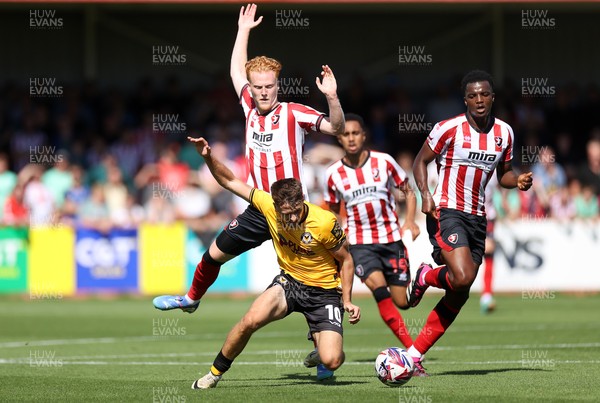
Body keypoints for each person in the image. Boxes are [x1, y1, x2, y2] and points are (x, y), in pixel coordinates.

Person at [153, 3, 344, 317]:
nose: (264, 92)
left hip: (292, 209)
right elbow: (235, 71)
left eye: (270, 86)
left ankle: (323, 334)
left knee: (310, 278)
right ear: (251, 89)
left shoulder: (295, 113)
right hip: (259, 206)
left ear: (278, 85)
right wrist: (243, 31)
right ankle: (191, 298)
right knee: (213, 254)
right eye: (258, 87)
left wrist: (332, 97)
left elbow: (336, 127)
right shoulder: (249, 107)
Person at [185, 136, 360, 389]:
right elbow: (229, 180)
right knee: (249, 321)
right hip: (289, 283)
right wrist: (207, 156)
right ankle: (213, 374)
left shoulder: (324, 222)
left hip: (324, 293)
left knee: (332, 360)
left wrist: (347, 301)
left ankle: (322, 352)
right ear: (276, 206)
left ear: (303, 201)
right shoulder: (267, 205)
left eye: (295, 212)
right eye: (284, 214)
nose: (290, 219)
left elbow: (346, 260)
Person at [408, 70, 533, 376]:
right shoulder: (447, 129)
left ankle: (413, 355)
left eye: (485, 94)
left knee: (459, 292)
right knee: (462, 277)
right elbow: (419, 161)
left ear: (493, 97)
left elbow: (504, 174)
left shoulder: (504, 132)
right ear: (465, 99)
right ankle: (425, 276)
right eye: (473, 95)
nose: (479, 100)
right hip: (446, 211)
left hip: (478, 217)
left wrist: (518, 180)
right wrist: (425, 194)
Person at [323, 113, 420, 349]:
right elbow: (334, 211)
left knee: (404, 302)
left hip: (392, 240)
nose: (351, 138)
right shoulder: (333, 174)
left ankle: (423, 278)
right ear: (340, 139)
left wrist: (410, 221)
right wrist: (338, 236)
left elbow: (408, 191)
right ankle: (413, 353)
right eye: (346, 134)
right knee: (380, 292)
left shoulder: (384, 161)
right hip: (360, 244)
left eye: (355, 133)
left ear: (364, 135)